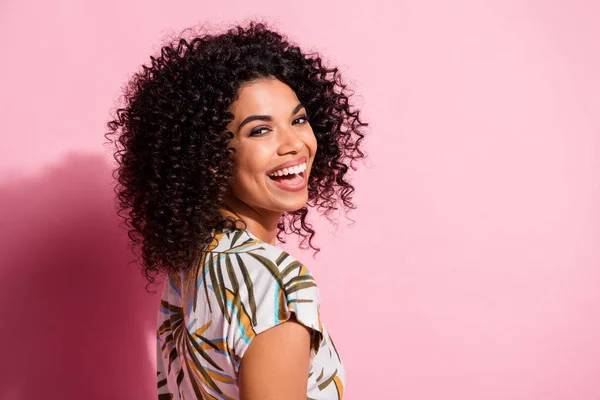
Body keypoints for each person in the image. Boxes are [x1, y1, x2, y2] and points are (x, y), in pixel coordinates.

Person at [105, 20, 367, 399]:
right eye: (259, 131)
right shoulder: (275, 285)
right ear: (211, 157)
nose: (294, 143)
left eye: (298, 119)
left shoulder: (191, 267)